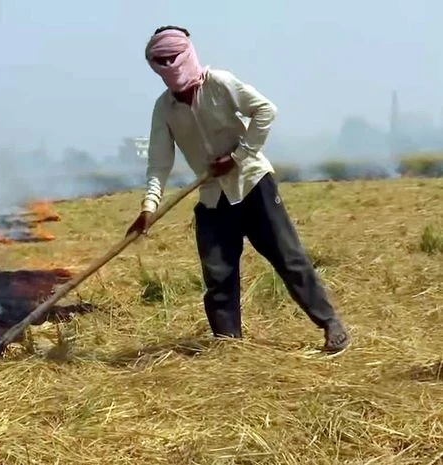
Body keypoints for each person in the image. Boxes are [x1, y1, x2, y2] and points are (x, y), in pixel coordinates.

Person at [126, 25, 350, 353]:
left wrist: (238, 156)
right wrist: (149, 208)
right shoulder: (165, 109)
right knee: (219, 276)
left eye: (173, 58)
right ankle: (230, 346)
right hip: (213, 198)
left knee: (290, 259)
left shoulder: (219, 83)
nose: (168, 67)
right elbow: (159, 163)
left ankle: (331, 324)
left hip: (253, 184)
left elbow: (265, 111)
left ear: (187, 54)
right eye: (159, 62)